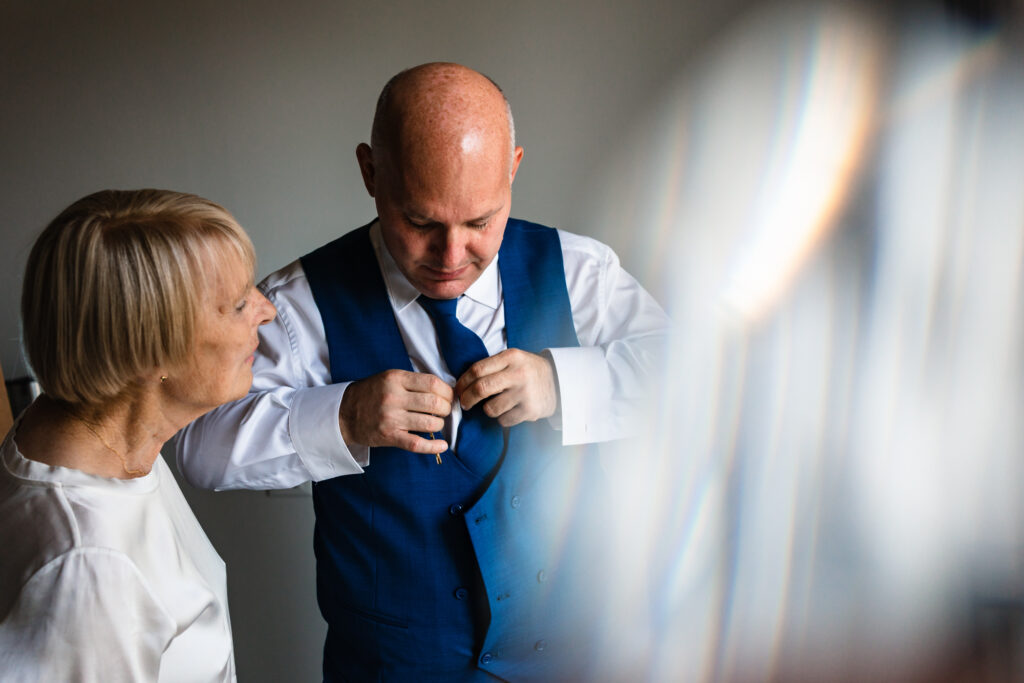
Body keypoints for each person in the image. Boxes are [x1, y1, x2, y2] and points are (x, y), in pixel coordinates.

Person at [178, 62, 669, 681]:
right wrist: (343, 416)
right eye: (421, 223)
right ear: (370, 173)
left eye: (481, 221)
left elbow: (696, 382)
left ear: (513, 168)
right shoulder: (300, 304)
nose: (452, 255)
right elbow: (201, 443)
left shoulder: (580, 272)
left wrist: (562, 383)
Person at [0, 189, 276, 681]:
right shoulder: (89, 567)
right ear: (151, 352)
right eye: (237, 305)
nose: (266, 309)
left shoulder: (105, 434)